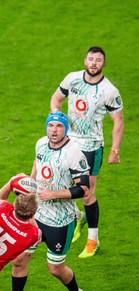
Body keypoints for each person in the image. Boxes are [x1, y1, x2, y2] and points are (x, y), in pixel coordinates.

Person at [0, 111, 90, 291]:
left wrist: (53, 194)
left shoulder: (74, 153)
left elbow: (83, 189)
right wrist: (30, 184)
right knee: (19, 259)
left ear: (65, 129)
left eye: (59, 126)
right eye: (51, 126)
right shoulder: (41, 144)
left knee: (55, 268)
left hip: (60, 220)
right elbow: (38, 163)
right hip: (36, 215)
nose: (54, 130)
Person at [50, 46, 124, 258]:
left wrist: (114, 150)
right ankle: (78, 217)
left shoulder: (109, 91)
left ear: (104, 64)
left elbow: (118, 121)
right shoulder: (72, 79)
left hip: (92, 145)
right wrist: (58, 119)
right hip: (70, 142)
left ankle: (93, 240)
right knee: (62, 183)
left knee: (87, 191)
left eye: (98, 60)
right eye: (91, 59)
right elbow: (56, 99)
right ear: (85, 60)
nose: (94, 63)